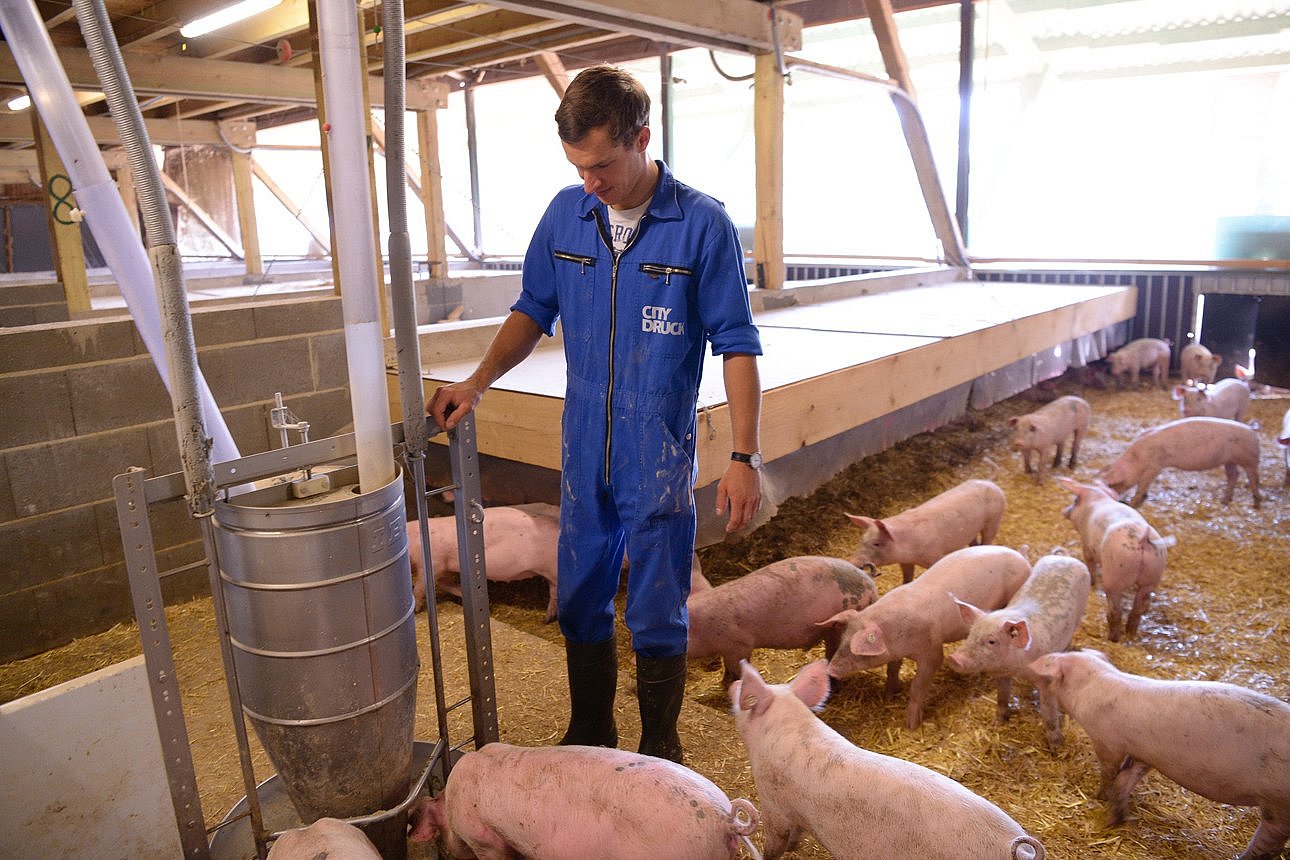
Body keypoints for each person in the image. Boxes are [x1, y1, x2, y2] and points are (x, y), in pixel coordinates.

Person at [427, 64, 763, 764]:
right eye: (578, 167)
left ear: (643, 138)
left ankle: (659, 743)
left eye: (603, 164)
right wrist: (480, 380)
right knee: (579, 592)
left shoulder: (702, 225)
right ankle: (591, 731)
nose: (591, 184)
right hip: (585, 445)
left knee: (657, 606)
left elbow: (736, 344)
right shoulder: (566, 214)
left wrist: (742, 456)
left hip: (659, 450)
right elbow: (532, 309)